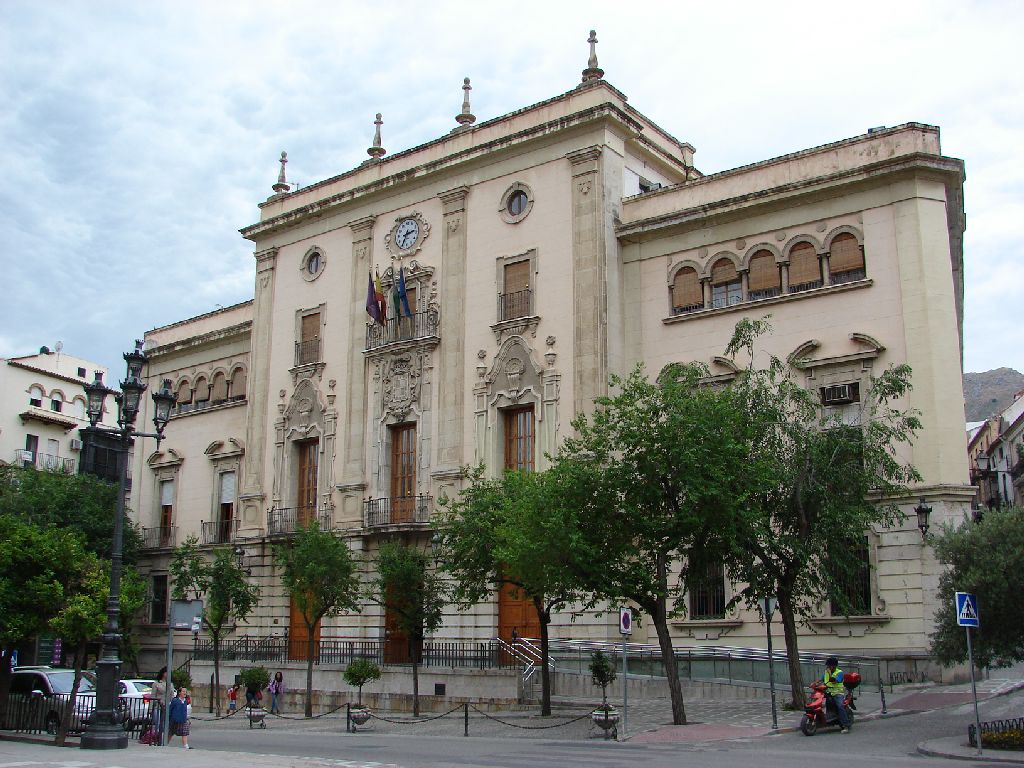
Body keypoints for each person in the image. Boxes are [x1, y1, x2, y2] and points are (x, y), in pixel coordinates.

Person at [822, 657, 851, 733]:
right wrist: (815, 683)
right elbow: (822, 679)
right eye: (827, 666)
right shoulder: (826, 672)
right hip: (828, 692)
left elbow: (834, 680)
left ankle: (846, 725)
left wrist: (829, 673)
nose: (827, 667)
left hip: (838, 693)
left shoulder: (839, 673)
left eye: (829, 666)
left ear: (834, 666)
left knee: (840, 706)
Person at [150, 667, 167, 743]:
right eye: (166, 672)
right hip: (157, 706)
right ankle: (156, 739)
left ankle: (161, 739)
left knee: (163, 725)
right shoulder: (156, 684)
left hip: (165, 706)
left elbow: (172, 696)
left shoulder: (170, 684)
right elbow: (152, 696)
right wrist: (151, 709)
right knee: (157, 723)